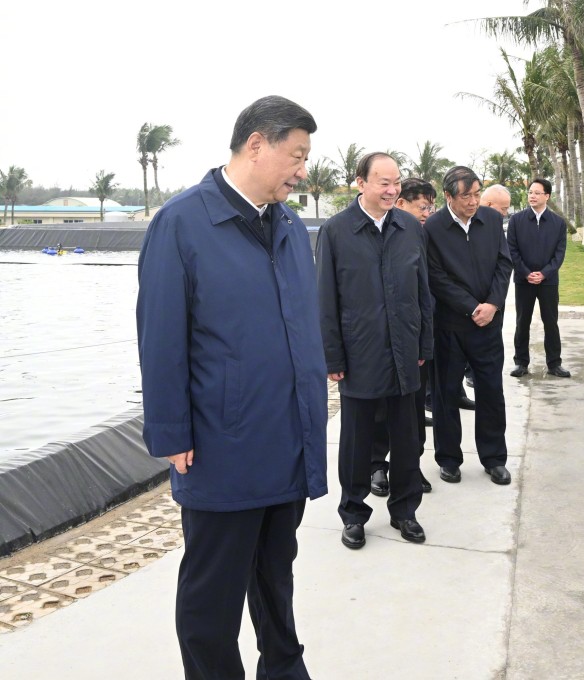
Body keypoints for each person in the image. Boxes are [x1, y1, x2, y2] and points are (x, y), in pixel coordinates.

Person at [136, 95, 326, 679]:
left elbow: (300, 327)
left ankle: (284, 669)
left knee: (276, 574)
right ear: (256, 145)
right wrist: (171, 432)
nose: (302, 171)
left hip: (287, 438)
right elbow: (160, 336)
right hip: (223, 445)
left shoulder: (288, 225)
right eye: (297, 156)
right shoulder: (182, 223)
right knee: (211, 596)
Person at [316, 153, 432, 550]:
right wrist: (333, 357)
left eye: (396, 182)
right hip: (359, 352)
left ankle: (405, 511)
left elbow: (423, 291)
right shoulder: (336, 231)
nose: (392, 190)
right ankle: (353, 514)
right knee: (356, 442)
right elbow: (325, 300)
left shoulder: (410, 228)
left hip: (405, 350)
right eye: (383, 182)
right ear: (361, 183)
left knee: (407, 438)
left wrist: (424, 343)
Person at [424, 166, 513, 485]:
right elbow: (436, 276)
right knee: (446, 394)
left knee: (491, 391)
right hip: (450, 326)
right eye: (466, 196)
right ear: (449, 196)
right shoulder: (433, 228)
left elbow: (504, 263)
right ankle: (448, 459)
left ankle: (494, 458)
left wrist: (493, 304)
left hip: (488, 325)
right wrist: (471, 307)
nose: (474, 202)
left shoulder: (491, 220)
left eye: (477, 194)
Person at [369, 177, 436, 498]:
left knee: (413, 409)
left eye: (430, 207)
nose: (426, 213)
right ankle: (377, 465)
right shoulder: (374, 235)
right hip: (379, 338)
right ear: (400, 204)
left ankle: (409, 465)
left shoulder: (419, 234)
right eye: (421, 207)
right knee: (380, 408)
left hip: (414, 335)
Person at [507, 178, 570, 378]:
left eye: (537, 193)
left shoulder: (558, 223)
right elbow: (512, 251)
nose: (532, 196)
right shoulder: (516, 221)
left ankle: (554, 363)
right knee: (522, 322)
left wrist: (544, 273)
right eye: (530, 192)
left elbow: (559, 254)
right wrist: (526, 273)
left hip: (548, 282)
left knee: (551, 322)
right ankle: (520, 363)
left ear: (547, 196)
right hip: (523, 281)